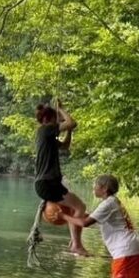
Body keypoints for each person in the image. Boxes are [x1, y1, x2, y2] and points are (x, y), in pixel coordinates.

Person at [33, 102, 88, 256]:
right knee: (80, 207)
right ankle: (76, 245)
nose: (58, 121)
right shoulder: (45, 130)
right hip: (48, 183)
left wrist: (68, 131)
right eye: (55, 118)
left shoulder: (47, 135)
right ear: (47, 119)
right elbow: (72, 122)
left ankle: (74, 243)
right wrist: (62, 109)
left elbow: (65, 146)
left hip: (47, 183)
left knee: (75, 208)